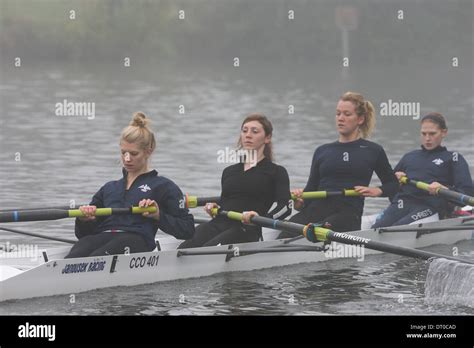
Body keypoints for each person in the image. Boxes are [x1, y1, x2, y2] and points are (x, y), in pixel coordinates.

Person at [65, 112, 194, 258]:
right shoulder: (109, 188)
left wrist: (158, 215)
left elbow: (187, 230)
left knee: (100, 255)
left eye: (133, 154)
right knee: (78, 250)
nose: (127, 159)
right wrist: (84, 219)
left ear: (148, 151)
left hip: (136, 240)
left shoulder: (163, 186)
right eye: (123, 153)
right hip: (104, 236)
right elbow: (82, 234)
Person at [278, 91, 399, 238]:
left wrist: (378, 190)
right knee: (290, 228)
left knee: (320, 229)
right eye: (338, 114)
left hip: (347, 215)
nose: (341, 118)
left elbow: (393, 184)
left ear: (360, 119)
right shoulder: (322, 151)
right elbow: (311, 189)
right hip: (316, 210)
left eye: (347, 114)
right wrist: (300, 203)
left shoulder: (373, 150)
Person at [178, 113, 292, 248]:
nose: (248, 135)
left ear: (267, 138)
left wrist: (261, 218)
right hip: (218, 224)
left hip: (246, 230)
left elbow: (286, 207)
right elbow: (227, 201)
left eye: (254, 131)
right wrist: (215, 208)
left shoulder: (276, 172)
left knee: (209, 249)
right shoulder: (229, 171)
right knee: (183, 248)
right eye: (244, 131)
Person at [372, 112, 473, 228]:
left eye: (432, 134)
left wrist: (445, 189)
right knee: (377, 227)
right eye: (424, 134)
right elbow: (389, 189)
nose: (427, 138)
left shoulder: (454, 158)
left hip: (431, 206)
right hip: (402, 203)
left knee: (400, 227)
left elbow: (467, 193)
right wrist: (395, 181)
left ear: (444, 132)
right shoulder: (409, 156)